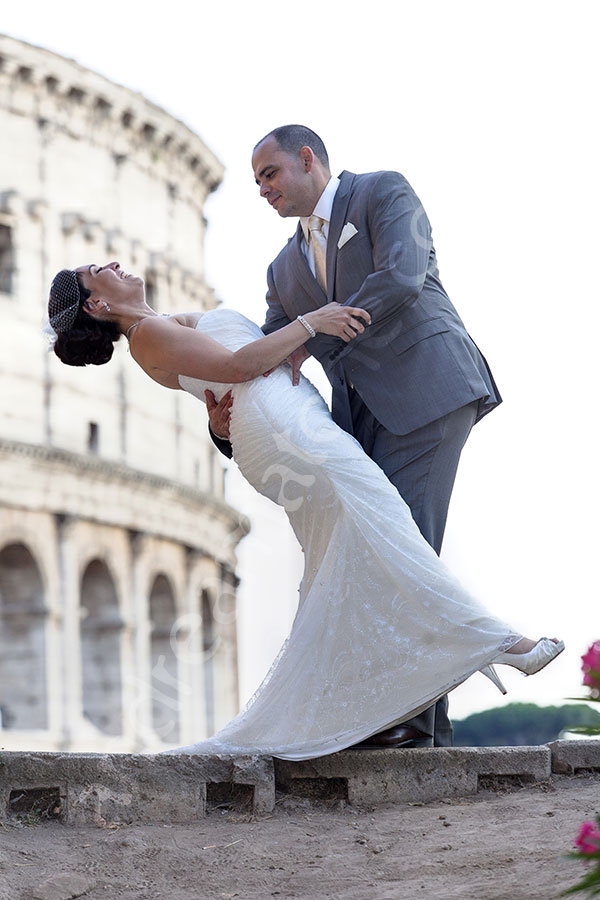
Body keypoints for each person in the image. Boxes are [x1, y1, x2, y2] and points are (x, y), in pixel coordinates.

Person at [46, 262, 564, 761]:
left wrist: (218, 421)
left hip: (282, 419)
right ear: (97, 302)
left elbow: (222, 383)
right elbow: (239, 366)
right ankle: (500, 642)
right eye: (99, 269)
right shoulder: (146, 336)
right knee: (381, 521)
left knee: (353, 551)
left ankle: (366, 704)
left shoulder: (160, 325)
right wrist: (312, 323)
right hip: (282, 429)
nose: (114, 263)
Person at [206, 125, 502, 749]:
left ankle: (409, 721)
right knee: (388, 550)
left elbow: (401, 279)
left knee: (406, 543)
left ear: (307, 159)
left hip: (428, 387)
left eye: (270, 174)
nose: (262, 189)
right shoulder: (283, 268)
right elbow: (267, 352)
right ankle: (427, 724)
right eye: (256, 181)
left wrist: (312, 332)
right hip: (359, 418)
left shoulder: (381, 194)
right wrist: (224, 417)